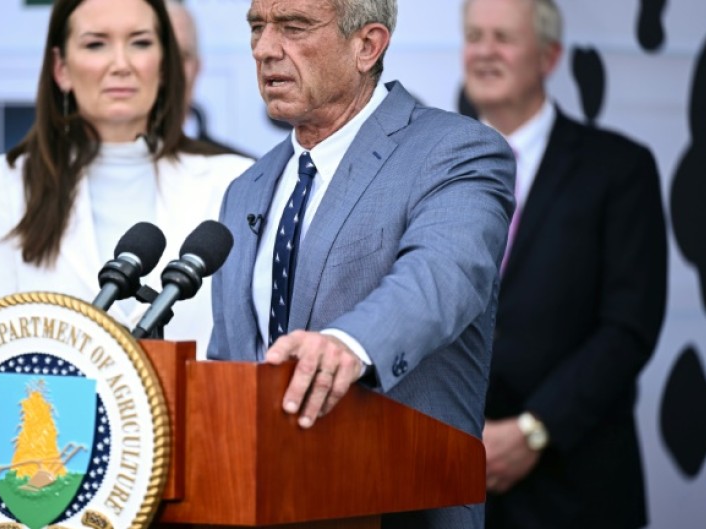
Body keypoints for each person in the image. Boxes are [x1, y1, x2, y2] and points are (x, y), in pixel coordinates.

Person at [207, 0, 515, 527]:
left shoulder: (457, 150)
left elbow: (443, 276)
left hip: (401, 511)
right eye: (257, 27)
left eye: (293, 27)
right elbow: (232, 359)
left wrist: (348, 344)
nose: (264, 49)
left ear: (367, 45)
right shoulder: (246, 188)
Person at [461, 0, 668, 527]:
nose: (484, 52)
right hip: (447, 487)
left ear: (549, 57)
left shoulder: (619, 168)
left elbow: (629, 326)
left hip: (574, 487)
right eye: (475, 36)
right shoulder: (427, 167)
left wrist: (534, 430)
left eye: (503, 38)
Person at [0, 0, 253, 357]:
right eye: (96, 44)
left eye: (140, 43)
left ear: (165, 65)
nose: (121, 64)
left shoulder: (236, 180)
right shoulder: (10, 182)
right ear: (61, 68)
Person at [165, 0, 249, 155]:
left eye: (183, 57)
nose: (173, 71)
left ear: (197, 67)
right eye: (163, 57)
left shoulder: (240, 167)